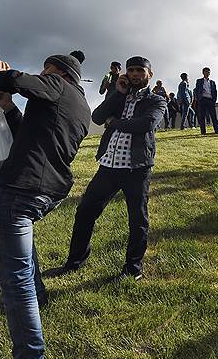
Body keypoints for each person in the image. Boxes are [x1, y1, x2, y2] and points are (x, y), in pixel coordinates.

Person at [0, 51, 91, 359]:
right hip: (49, 188)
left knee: (15, 283)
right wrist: (8, 105)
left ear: (58, 72)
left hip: (21, 187)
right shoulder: (81, 108)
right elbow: (29, 134)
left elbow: (11, 80)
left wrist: (2, 79)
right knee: (22, 252)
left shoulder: (56, 85)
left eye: (47, 70)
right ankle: (39, 294)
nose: (43, 74)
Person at [56, 55, 166, 282]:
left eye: (140, 71)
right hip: (109, 166)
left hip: (137, 168)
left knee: (137, 220)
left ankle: (133, 269)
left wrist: (114, 123)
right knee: (85, 212)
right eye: (131, 70)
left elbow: (146, 124)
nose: (135, 74)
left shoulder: (156, 101)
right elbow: (97, 117)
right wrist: (118, 92)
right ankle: (74, 261)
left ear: (149, 74)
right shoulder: (120, 96)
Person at [194, 67, 218, 135]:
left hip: (210, 100)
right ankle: (203, 132)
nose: (207, 73)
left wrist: (214, 100)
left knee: (213, 116)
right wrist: (198, 99)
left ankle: (217, 130)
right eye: (206, 71)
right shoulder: (199, 81)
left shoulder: (212, 82)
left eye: (208, 72)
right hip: (202, 100)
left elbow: (215, 91)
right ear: (203, 73)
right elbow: (196, 90)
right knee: (202, 116)